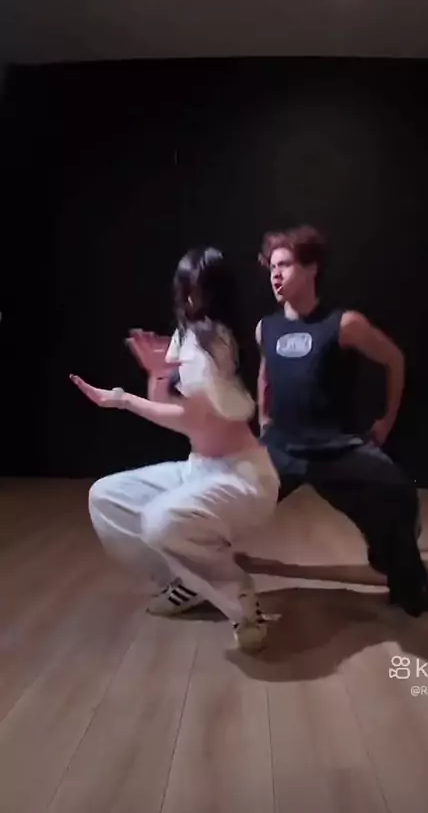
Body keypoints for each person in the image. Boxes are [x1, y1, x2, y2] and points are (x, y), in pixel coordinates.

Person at [70, 247, 279, 653]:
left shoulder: (214, 341)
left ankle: (241, 602)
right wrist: (157, 374)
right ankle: (188, 582)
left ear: (215, 293)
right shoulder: (189, 336)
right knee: (107, 497)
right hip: (199, 468)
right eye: (185, 287)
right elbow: (170, 403)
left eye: (197, 289)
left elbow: (188, 420)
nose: (188, 297)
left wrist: (123, 400)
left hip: (243, 478)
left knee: (161, 520)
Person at [256, 225, 428, 617]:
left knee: (398, 493)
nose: (275, 274)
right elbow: (266, 373)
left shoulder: (344, 324)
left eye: (285, 265)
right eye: (272, 267)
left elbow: (394, 359)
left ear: (312, 268)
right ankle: (194, 574)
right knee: (221, 498)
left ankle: (408, 580)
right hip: (281, 448)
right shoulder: (265, 328)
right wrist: (264, 419)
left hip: (334, 448)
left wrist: (387, 419)